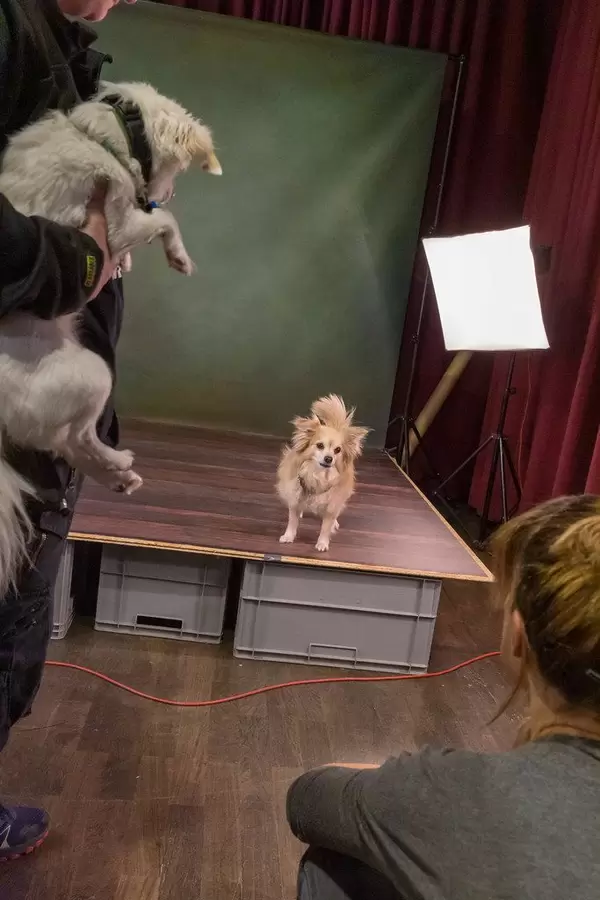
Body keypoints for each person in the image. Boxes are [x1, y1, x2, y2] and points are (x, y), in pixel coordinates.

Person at [287, 494, 600, 900]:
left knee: (332, 869)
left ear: (519, 635)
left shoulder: (449, 791)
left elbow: (306, 800)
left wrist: (404, 780)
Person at [0, 0, 135, 861]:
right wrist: (76, 263)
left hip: (40, 418)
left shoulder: (63, 48)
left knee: (15, 643)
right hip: (16, 409)